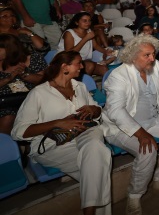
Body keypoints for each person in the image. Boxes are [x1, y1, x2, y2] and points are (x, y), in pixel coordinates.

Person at [12, 50, 112, 215]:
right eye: (78, 63)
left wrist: (93, 109)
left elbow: (97, 110)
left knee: (95, 150)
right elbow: (18, 131)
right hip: (52, 146)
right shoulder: (39, 93)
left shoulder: (80, 87)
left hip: (84, 136)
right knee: (99, 163)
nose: (82, 66)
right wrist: (57, 123)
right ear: (65, 67)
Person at [102, 34, 159, 215]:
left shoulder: (154, 66)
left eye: (153, 54)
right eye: (147, 55)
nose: (152, 58)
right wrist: (140, 133)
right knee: (148, 150)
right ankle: (134, 195)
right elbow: (116, 111)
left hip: (152, 119)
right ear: (133, 56)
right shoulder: (118, 76)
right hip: (121, 127)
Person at [58, 12, 113, 78]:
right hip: (69, 62)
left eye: (89, 20)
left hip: (84, 61)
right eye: (84, 21)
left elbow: (95, 46)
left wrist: (105, 51)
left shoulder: (89, 31)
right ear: (76, 23)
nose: (88, 23)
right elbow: (69, 54)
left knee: (104, 69)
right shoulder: (69, 33)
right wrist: (85, 38)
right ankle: (81, 82)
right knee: (90, 65)